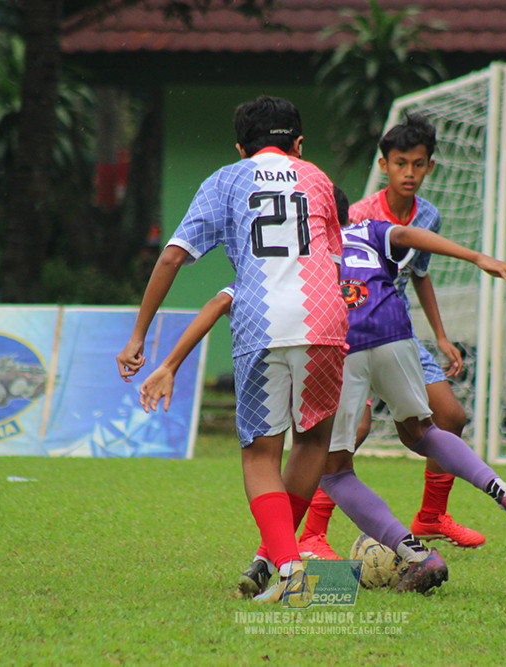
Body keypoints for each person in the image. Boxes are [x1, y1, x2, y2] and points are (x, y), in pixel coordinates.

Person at [141, 186, 506, 598]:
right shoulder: (368, 231)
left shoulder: (291, 257)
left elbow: (219, 302)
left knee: (332, 470)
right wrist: (477, 256)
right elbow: (408, 236)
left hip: (340, 345)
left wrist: (168, 364)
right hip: (395, 332)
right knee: (422, 432)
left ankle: (412, 554)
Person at [117, 96, 348, 604]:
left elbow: (172, 256)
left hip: (262, 321)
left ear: (241, 148)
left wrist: (139, 336)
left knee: (260, 453)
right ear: (299, 143)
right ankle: (274, 558)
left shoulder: (227, 179)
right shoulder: (321, 181)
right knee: (311, 441)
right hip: (327, 320)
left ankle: (289, 569)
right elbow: (336, 259)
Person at [297, 111, 486, 559]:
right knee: (354, 431)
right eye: (401, 163)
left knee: (451, 417)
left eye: (418, 164)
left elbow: (419, 274)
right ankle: (312, 534)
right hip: (353, 333)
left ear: (429, 167)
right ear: (384, 165)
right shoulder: (361, 214)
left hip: (398, 332)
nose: (409, 173)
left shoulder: (429, 216)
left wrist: (440, 337)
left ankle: (432, 517)